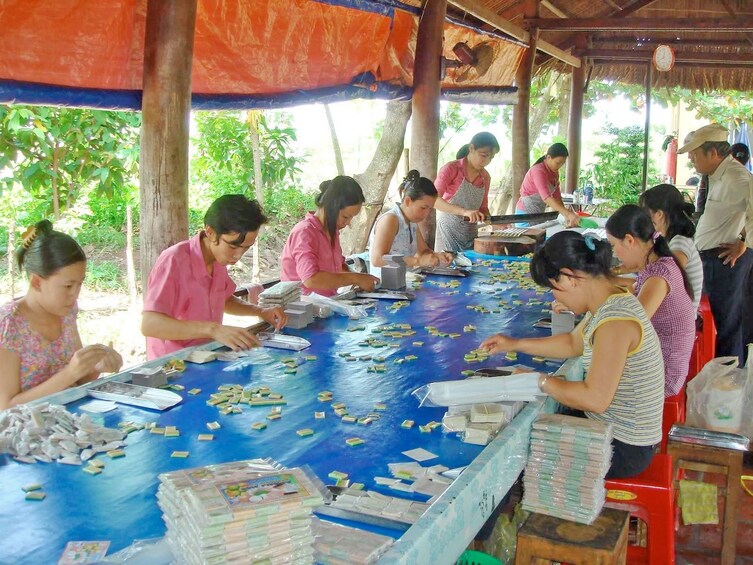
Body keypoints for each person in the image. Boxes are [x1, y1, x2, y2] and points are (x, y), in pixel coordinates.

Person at [480, 231, 663, 478]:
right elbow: (571, 343)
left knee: (516, 453)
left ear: (569, 278)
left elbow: (595, 399)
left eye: (553, 288)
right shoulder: (611, 300)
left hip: (623, 446)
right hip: (609, 426)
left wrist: (539, 380)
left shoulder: (614, 322)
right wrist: (515, 343)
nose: (554, 296)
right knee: (534, 419)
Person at [142, 195, 287, 360]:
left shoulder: (217, 259)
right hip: (172, 366)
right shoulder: (173, 261)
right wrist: (213, 329)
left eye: (246, 248)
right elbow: (150, 324)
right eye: (233, 246)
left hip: (206, 357)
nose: (238, 256)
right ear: (210, 232)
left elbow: (224, 300)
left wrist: (261, 311)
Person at [0, 221, 123, 410]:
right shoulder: (10, 325)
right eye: (67, 286)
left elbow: (79, 379)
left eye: (79, 284)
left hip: (67, 422)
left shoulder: (67, 312)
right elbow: (6, 407)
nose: (75, 294)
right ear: (37, 282)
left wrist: (95, 367)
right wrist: (69, 374)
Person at [678, 124, 753, 364]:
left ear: (713, 153)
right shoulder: (717, 175)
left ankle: (727, 382)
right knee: (714, 322)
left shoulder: (736, 177)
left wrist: (744, 241)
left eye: (695, 154)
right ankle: (719, 377)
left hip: (724, 261)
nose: (692, 160)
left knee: (727, 323)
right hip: (710, 259)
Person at [606, 205, 696, 398]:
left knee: (593, 376)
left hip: (664, 374)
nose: (615, 255)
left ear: (629, 240)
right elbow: (636, 286)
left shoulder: (659, 275)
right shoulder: (658, 264)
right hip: (658, 361)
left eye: (614, 246)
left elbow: (633, 324)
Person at [280, 176, 379, 296]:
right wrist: (356, 278)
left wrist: (361, 279)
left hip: (326, 304)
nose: (348, 223)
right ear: (331, 207)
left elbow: (338, 266)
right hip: (301, 308)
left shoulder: (331, 231)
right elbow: (311, 279)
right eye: (345, 217)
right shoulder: (305, 232)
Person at [368, 170, 454, 277]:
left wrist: (438, 256)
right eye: (423, 208)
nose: (427, 214)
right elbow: (377, 259)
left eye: (430, 209)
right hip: (384, 286)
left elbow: (423, 251)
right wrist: (417, 262)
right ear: (408, 201)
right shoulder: (390, 220)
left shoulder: (412, 222)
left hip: (406, 281)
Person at [638, 184, 704, 312]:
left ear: (659, 214)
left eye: (645, 211)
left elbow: (667, 274)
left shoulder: (679, 243)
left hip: (679, 319)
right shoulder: (669, 240)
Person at [434, 132, 500, 252]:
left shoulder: (485, 177)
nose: (487, 161)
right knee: (447, 267)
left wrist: (493, 223)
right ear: (471, 148)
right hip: (448, 232)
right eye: (484, 155)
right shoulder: (451, 169)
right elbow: (433, 200)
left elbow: (483, 208)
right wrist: (464, 212)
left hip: (470, 234)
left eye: (491, 157)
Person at [517, 142, 580, 227]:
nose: (560, 166)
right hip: (525, 214)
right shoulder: (538, 170)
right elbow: (546, 198)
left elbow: (557, 197)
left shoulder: (555, 173)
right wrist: (568, 214)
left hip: (539, 214)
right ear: (548, 157)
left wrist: (565, 215)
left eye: (563, 163)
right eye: (558, 163)